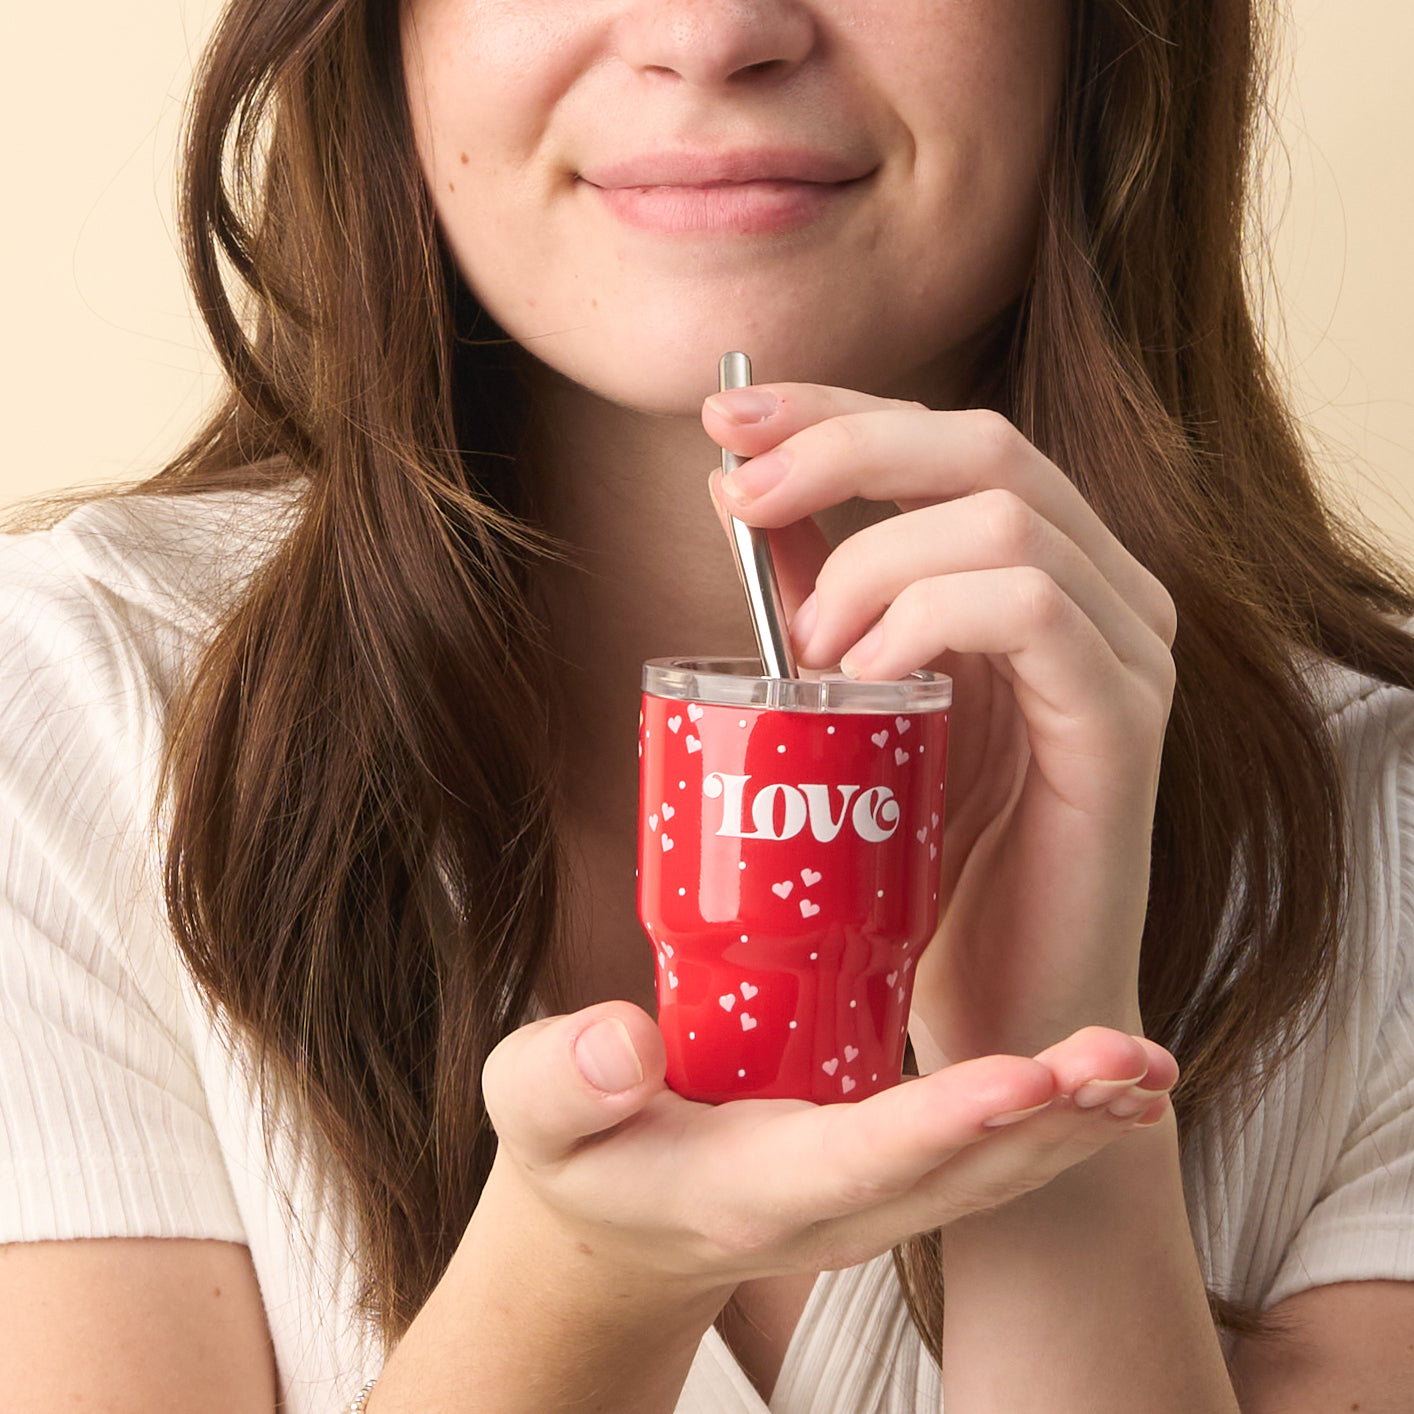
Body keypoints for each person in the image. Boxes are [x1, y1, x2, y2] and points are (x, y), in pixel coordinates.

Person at [2, 0, 1413, 1410]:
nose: (711, 30)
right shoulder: (71, 718)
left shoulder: (1389, 830)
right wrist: (577, 1277)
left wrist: (1054, 1088)